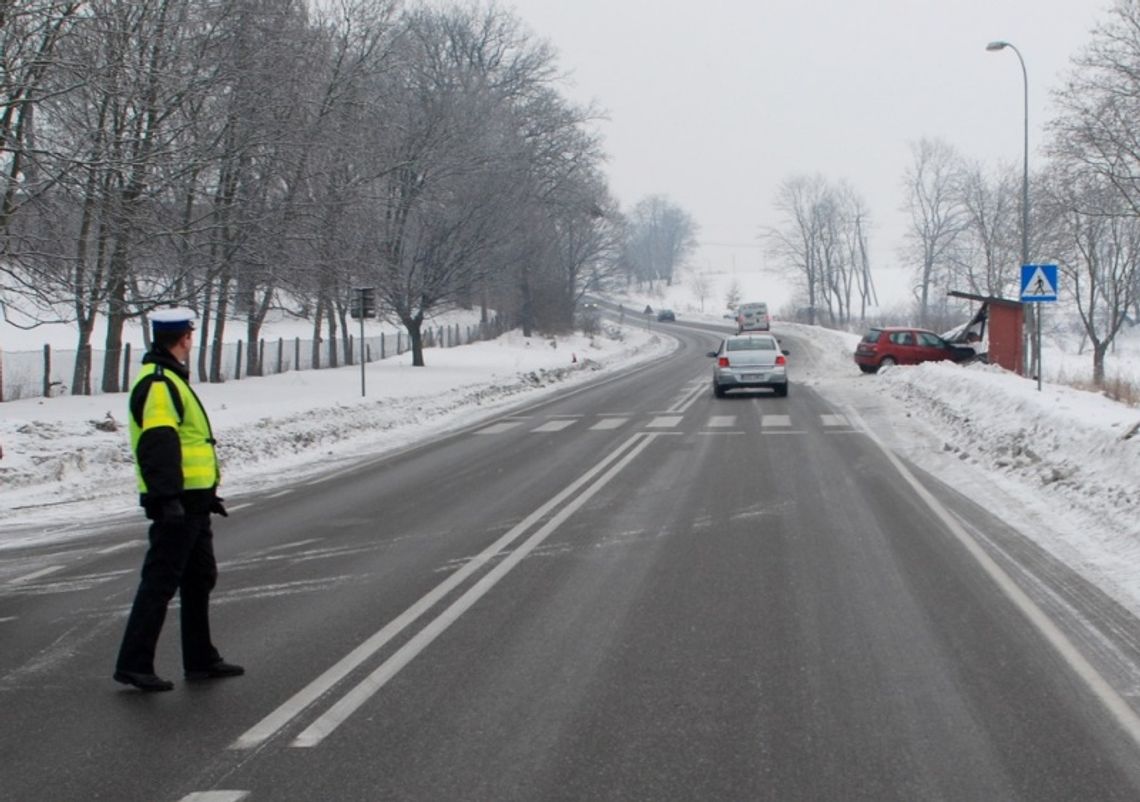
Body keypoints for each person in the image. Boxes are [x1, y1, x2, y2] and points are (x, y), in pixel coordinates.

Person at [114, 308, 243, 692]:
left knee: (199, 577)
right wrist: (168, 499)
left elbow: (188, 445)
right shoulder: (158, 383)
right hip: (178, 504)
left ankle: (200, 658)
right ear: (184, 338)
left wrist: (206, 495)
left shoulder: (171, 378)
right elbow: (159, 443)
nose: (191, 340)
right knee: (160, 581)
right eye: (190, 335)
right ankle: (134, 664)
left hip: (195, 501)